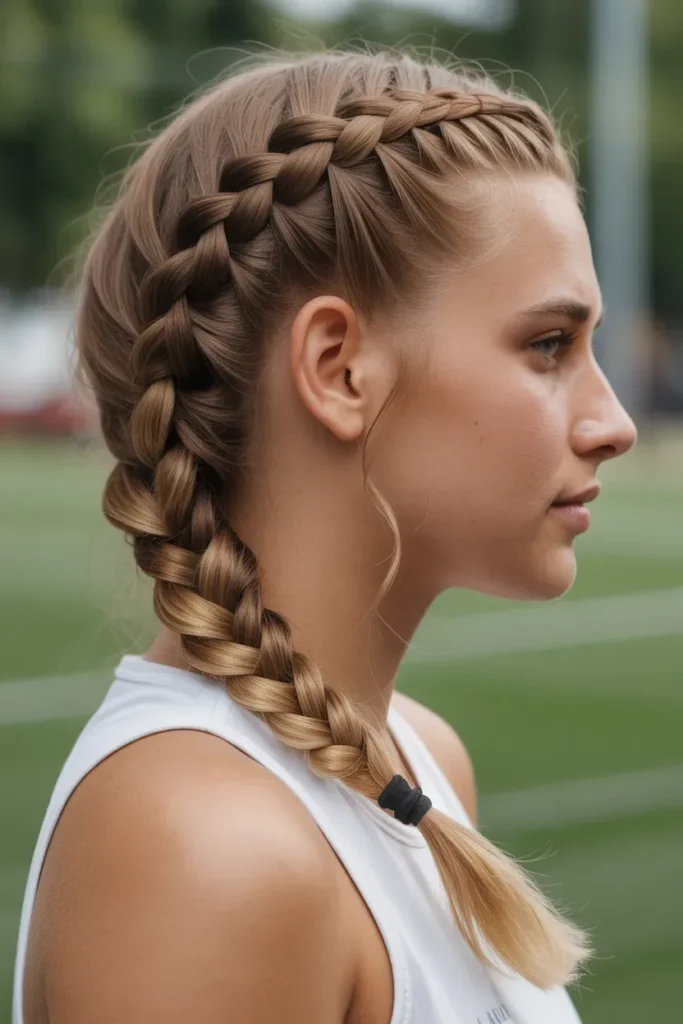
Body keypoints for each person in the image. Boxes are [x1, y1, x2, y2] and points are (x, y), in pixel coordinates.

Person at [13, 48, 637, 1024]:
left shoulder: (416, 760)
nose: (612, 421)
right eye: (547, 345)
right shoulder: (206, 848)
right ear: (339, 368)